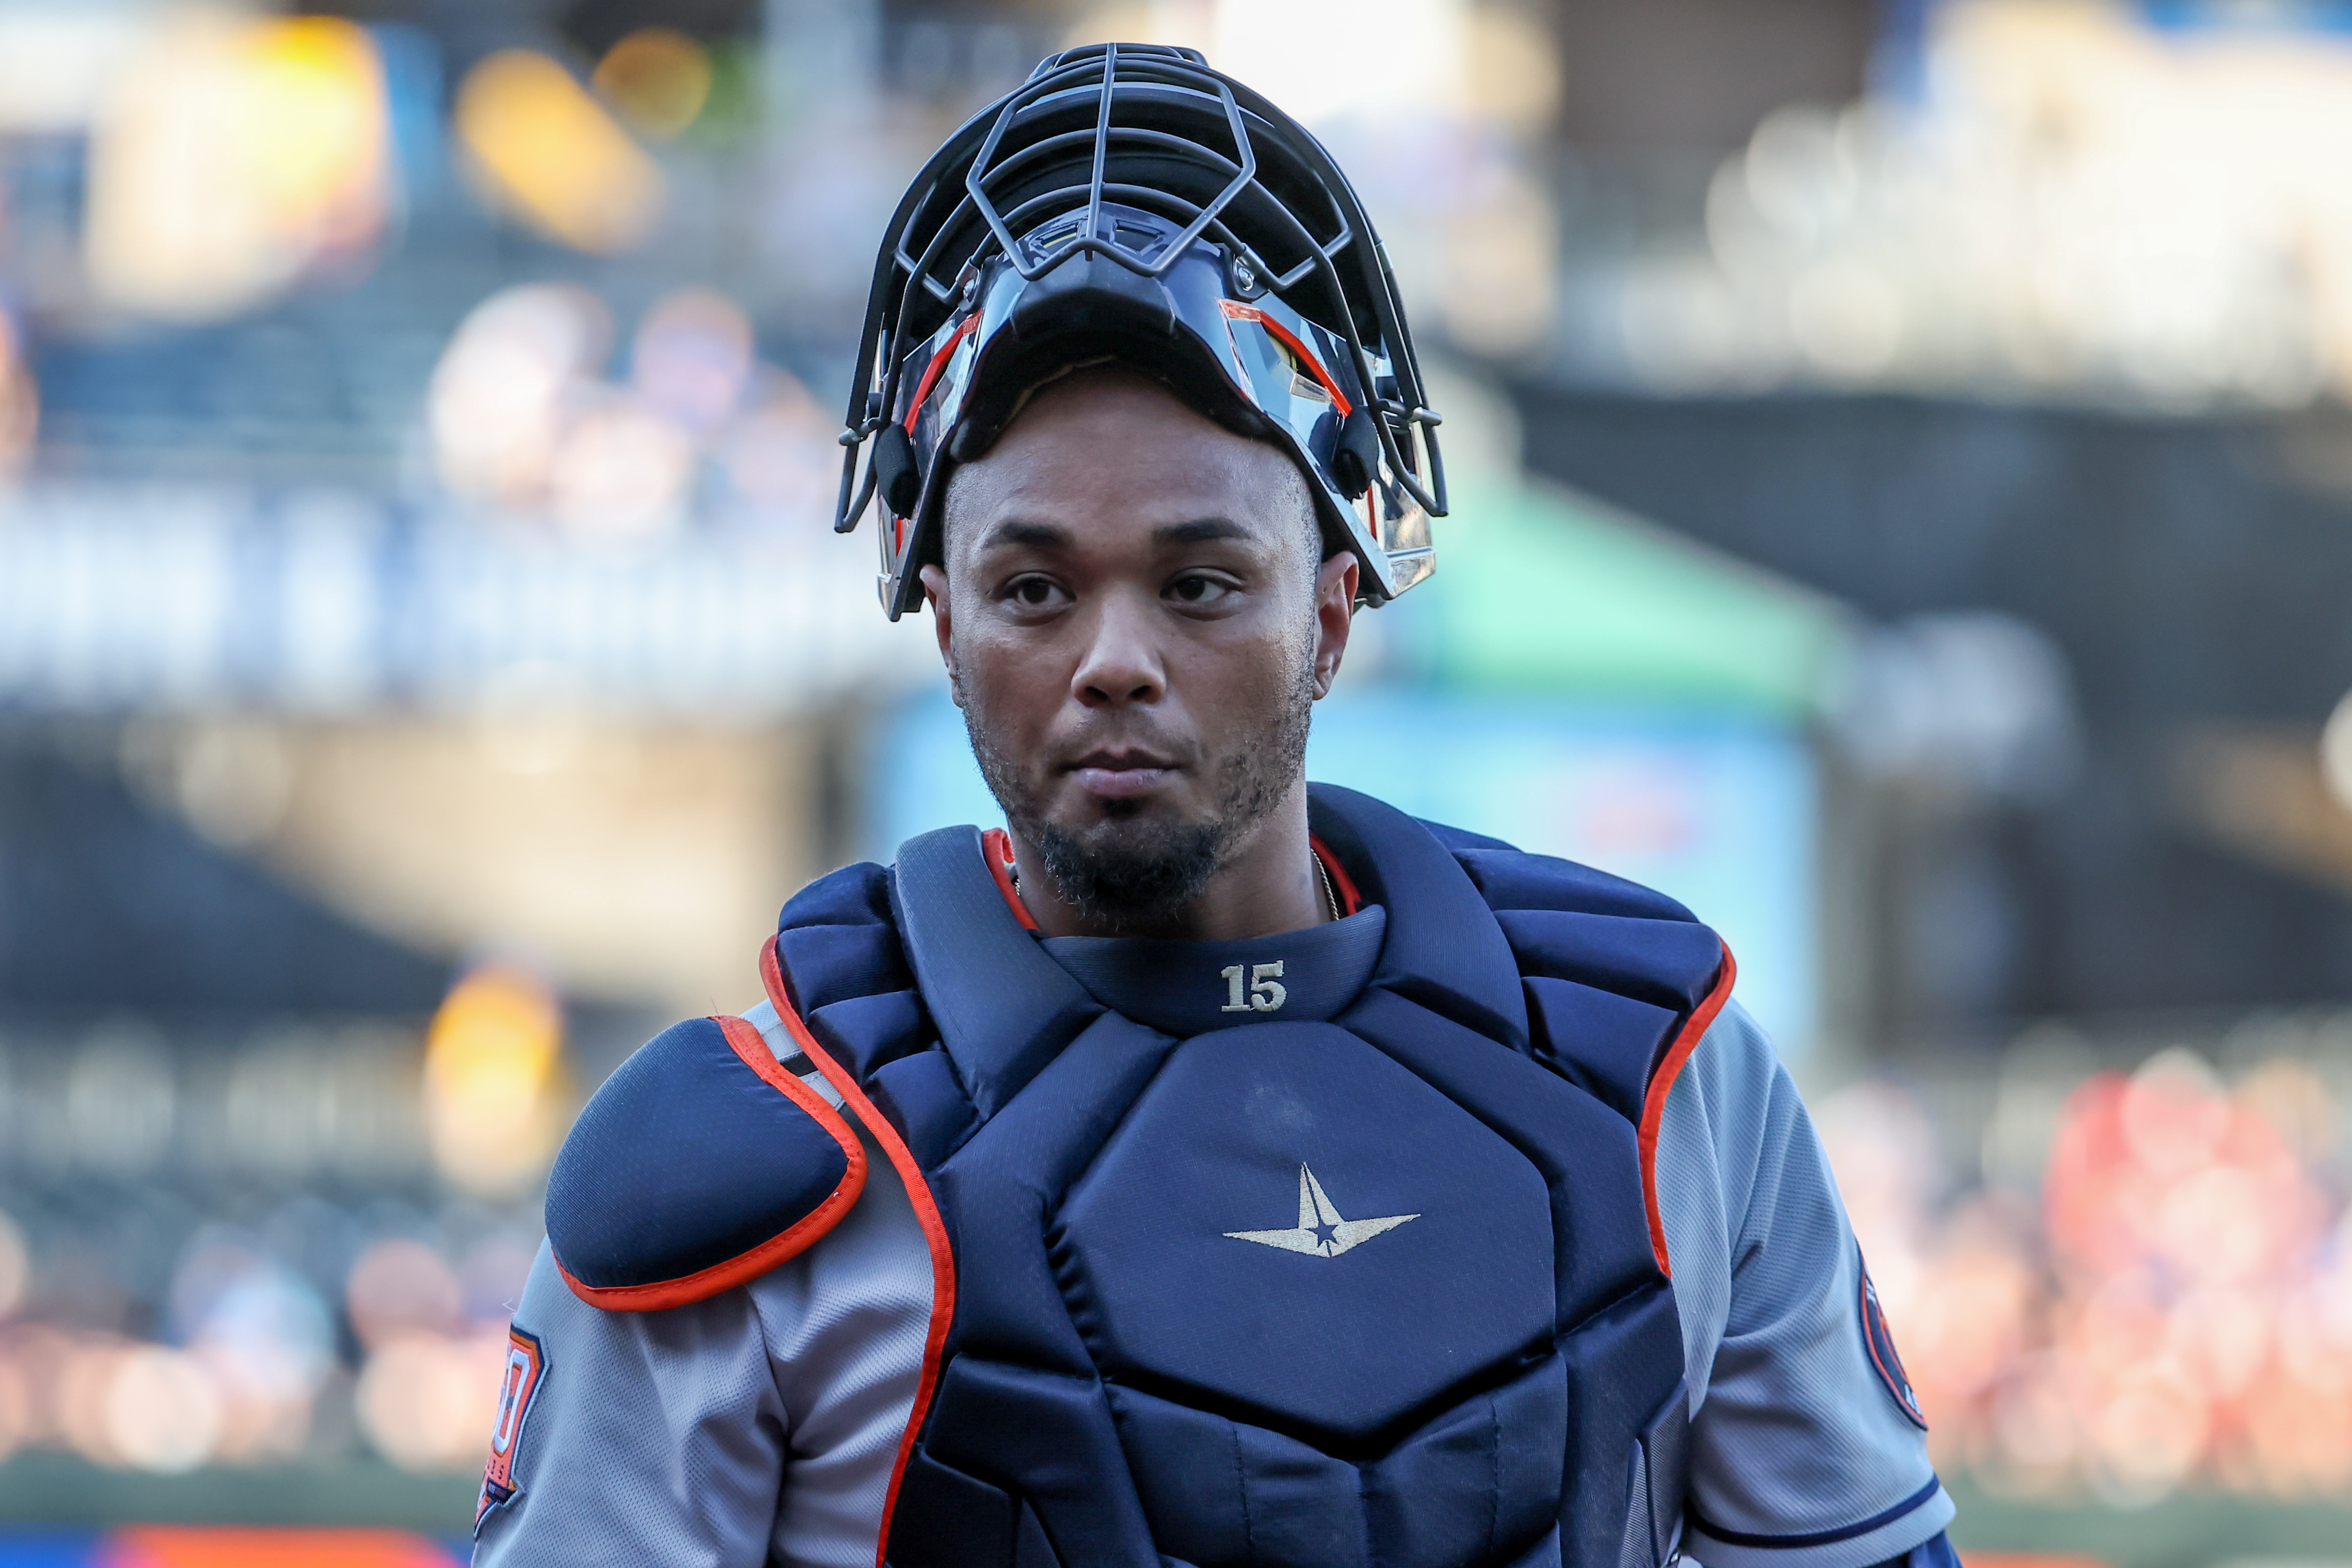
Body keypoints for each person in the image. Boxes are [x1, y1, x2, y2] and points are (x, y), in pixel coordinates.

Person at [471, 44, 1961, 1568]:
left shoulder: (1661, 1072)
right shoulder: (753, 1162)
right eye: (1034, 589)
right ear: (942, 621)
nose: (1115, 662)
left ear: (1330, 612)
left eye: (1200, 586)